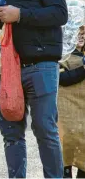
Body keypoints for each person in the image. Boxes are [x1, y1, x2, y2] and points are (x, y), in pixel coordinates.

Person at [0, 0, 68, 178]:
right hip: (8, 68)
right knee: (11, 134)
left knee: (45, 130)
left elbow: (60, 14)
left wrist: (20, 14)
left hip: (41, 63)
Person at [58, 25, 85, 178]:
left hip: (83, 114)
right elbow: (61, 79)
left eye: (83, 33)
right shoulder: (62, 56)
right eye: (77, 32)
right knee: (64, 150)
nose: (81, 36)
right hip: (66, 113)